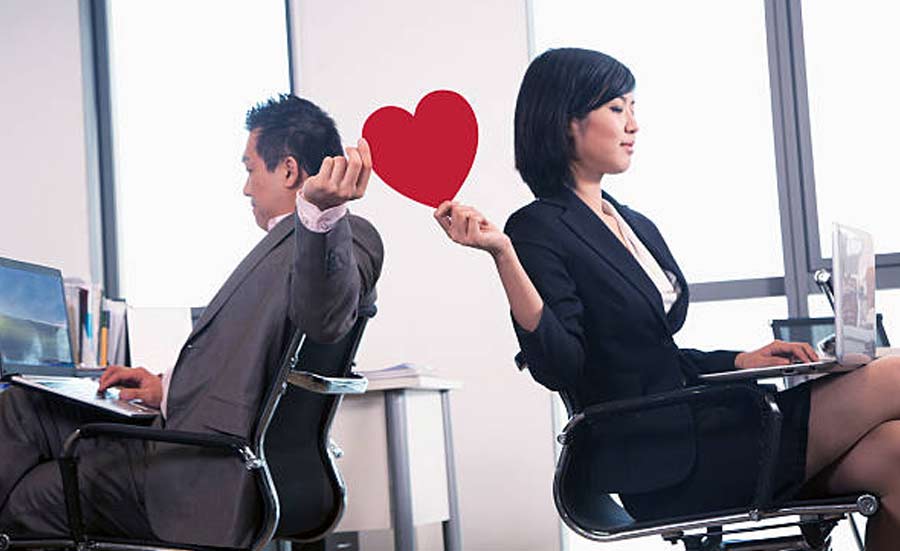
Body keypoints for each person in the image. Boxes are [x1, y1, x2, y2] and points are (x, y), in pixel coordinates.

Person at [434, 48, 900, 549]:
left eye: (633, 107)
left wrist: (741, 359)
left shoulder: (633, 223)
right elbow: (562, 364)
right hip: (668, 461)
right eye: (617, 108)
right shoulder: (537, 227)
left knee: (896, 453)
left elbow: (648, 355)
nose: (633, 124)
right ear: (567, 121)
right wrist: (503, 255)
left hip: (707, 427)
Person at [0, 94, 384, 547]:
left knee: (30, 497)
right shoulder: (283, 245)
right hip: (186, 438)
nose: (245, 188)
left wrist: (324, 215)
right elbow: (252, 365)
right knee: (24, 406)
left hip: (199, 473)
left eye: (249, 169)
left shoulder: (342, 235)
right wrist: (166, 388)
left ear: (287, 169)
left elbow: (325, 318)